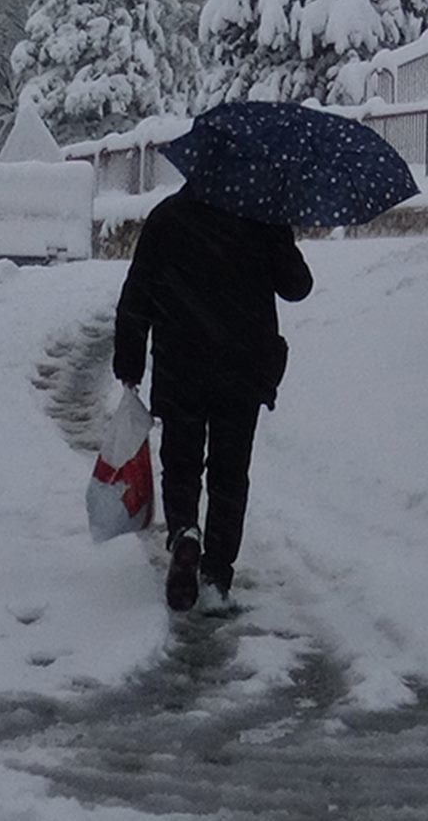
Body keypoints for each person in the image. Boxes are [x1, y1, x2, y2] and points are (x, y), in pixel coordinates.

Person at [112, 185, 313, 614]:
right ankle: (217, 576)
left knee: (181, 462)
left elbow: (138, 292)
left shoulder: (168, 217)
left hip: (180, 362)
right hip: (242, 367)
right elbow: (298, 287)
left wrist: (129, 361)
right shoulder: (260, 215)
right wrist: (279, 232)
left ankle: (185, 531)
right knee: (230, 473)